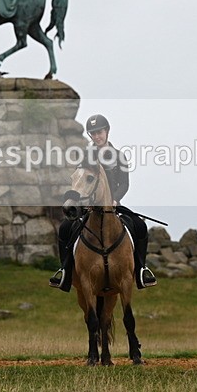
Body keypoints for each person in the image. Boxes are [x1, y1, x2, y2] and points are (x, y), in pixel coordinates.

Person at [50, 114, 156, 291]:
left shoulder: (119, 156)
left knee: (140, 226)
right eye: (93, 133)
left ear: (106, 131)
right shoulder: (86, 156)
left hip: (113, 204)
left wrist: (115, 199)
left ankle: (141, 271)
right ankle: (65, 272)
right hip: (88, 206)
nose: (96, 136)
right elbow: (79, 180)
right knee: (65, 228)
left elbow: (124, 183)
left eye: (99, 132)